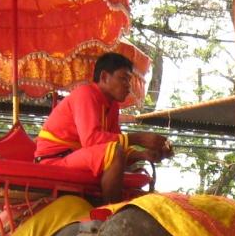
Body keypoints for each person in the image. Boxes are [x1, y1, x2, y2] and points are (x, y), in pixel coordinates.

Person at [33, 51, 173, 203]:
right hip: (55, 160)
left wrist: (144, 155)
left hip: (76, 156)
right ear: (104, 77)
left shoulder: (112, 106)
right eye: (123, 78)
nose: (128, 86)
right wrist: (137, 138)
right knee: (114, 152)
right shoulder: (86, 94)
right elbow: (92, 140)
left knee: (115, 150)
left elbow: (116, 143)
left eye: (129, 80)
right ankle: (111, 211)